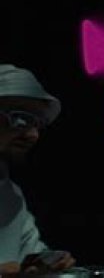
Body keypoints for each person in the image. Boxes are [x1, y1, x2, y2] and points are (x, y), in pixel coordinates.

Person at [0, 64, 75, 273]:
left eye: (38, 123)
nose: (33, 135)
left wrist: (48, 262)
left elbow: (28, 256)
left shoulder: (11, 195)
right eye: (20, 118)